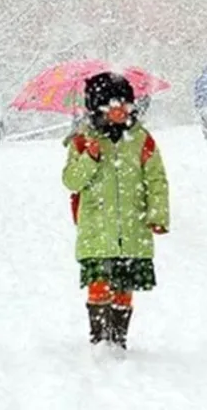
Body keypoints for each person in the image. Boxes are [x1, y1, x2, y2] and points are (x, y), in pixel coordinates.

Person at [62, 72, 170, 357]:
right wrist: (90, 157)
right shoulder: (83, 140)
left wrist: (157, 214)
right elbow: (71, 181)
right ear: (98, 108)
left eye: (125, 104)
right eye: (113, 105)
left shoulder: (141, 139)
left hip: (132, 229)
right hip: (97, 229)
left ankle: (118, 339)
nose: (121, 110)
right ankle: (99, 339)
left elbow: (156, 179)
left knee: (123, 285)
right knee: (99, 283)